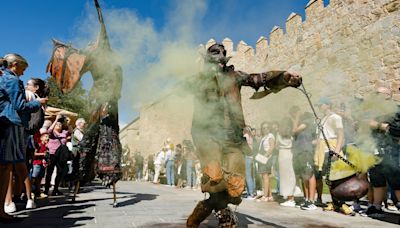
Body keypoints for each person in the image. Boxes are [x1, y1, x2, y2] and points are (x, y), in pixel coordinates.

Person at [186, 43, 301, 227]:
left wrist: (284, 77)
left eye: (223, 54)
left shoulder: (235, 76)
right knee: (215, 179)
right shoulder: (199, 80)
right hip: (208, 137)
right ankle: (224, 220)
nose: (221, 57)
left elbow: (258, 79)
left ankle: (197, 217)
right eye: (216, 54)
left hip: (233, 138)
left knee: (235, 185)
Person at [0, 53, 47, 220]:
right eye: (23, 69)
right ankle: (1, 210)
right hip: (10, 125)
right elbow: (20, 105)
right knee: (5, 167)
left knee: (7, 168)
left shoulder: (3, 77)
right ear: (14, 66)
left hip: (6, 123)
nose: (23, 73)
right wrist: (38, 103)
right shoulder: (11, 80)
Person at [364, 87, 400, 217]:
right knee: (377, 178)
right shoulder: (374, 110)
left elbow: (397, 129)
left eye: (377, 93)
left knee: (396, 181)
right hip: (376, 148)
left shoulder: (396, 109)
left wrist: (379, 125)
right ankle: (376, 206)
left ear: (387, 95)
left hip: (392, 149)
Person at [291, 110, 317, 210]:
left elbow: (294, 131)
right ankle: (307, 199)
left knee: (309, 175)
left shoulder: (306, 122)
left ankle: (311, 201)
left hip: (306, 152)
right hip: (300, 153)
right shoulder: (305, 126)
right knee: (304, 176)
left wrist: (296, 118)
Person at [44, 114, 71, 196]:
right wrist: (56, 120)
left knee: (59, 172)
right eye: (57, 125)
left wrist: (68, 122)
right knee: (49, 172)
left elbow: (70, 131)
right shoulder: (52, 133)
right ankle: (46, 189)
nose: (59, 126)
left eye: (60, 124)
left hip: (61, 155)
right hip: (53, 154)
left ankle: (56, 189)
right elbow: (49, 130)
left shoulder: (63, 133)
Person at [277, 118, 296, 207]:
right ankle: (290, 196)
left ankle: (290, 198)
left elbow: (277, 145)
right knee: (290, 175)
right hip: (289, 153)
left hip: (282, 153)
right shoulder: (291, 133)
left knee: (285, 176)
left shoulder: (279, 133)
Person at [256, 122, 275, 202]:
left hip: (266, 159)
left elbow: (271, 147)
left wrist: (264, 157)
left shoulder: (270, 136)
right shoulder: (264, 137)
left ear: (269, 128)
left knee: (265, 177)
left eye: (266, 127)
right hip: (262, 158)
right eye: (263, 128)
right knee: (265, 177)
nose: (265, 129)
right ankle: (270, 196)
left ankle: (265, 196)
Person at [243, 126, 256, 199]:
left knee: (247, 175)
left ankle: (250, 194)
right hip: (251, 156)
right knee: (251, 175)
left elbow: (244, 146)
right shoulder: (251, 137)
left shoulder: (246, 136)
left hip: (247, 156)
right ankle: (252, 192)